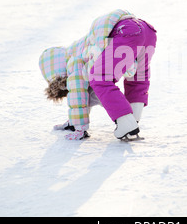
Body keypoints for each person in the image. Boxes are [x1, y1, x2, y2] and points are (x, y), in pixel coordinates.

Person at [39, 9, 157, 140]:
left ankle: (126, 123)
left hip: (125, 31)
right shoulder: (81, 49)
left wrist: (79, 127)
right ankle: (133, 121)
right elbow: (88, 95)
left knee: (99, 78)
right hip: (146, 31)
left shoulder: (73, 62)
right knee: (138, 78)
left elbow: (78, 94)